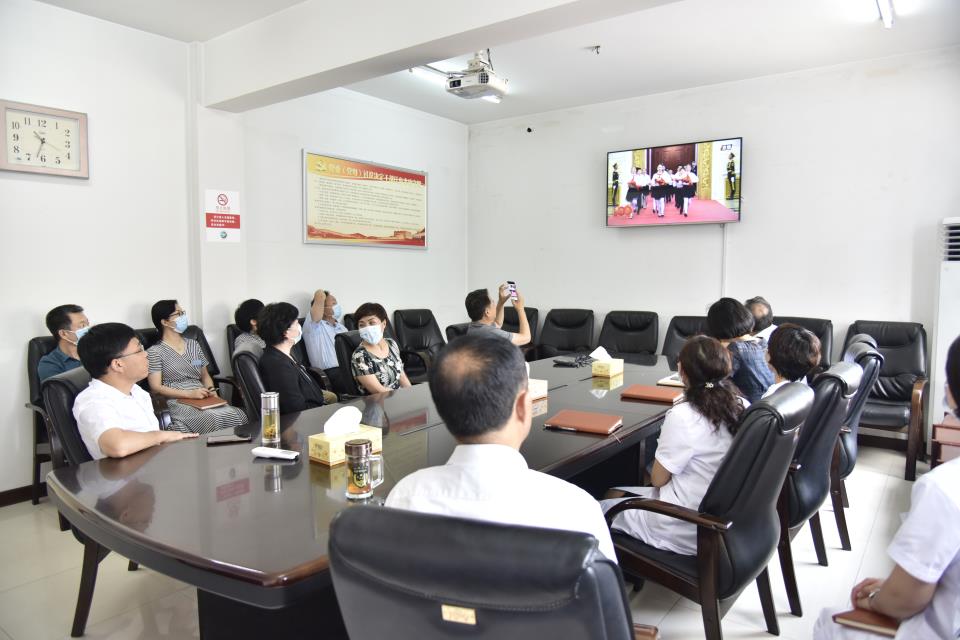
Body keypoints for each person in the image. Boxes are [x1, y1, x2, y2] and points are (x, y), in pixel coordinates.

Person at [386, 333, 616, 560]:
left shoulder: (405, 497)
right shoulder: (575, 509)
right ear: (523, 406)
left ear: (442, 409)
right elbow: (604, 584)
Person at [813, 335, 960, 640]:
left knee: (830, 623)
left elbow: (904, 600)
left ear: (951, 392)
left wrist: (877, 598)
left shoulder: (944, 488)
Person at [601, 336, 747, 556]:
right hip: (724, 516)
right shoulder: (742, 404)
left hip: (686, 522)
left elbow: (659, 480)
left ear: (682, 371)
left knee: (597, 509)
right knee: (614, 492)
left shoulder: (683, 416)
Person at [73, 323, 197, 459]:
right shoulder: (93, 401)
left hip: (154, 462)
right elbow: (117, 446)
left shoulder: (136, 390)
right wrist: (162, 436)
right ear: (117, 364)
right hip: (127, 471)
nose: (146, 354)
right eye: (139, 350)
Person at [147, 300, 247, 434]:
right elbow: (156, 387)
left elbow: (205, 376)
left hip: (202, 395)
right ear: (165, 322)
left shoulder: (193, 345)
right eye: (178, 314)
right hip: (177, 400)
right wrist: (189, 394)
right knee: (211, 417)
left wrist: (213, 392)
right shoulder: (155, 352)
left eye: (183, 313)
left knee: (238, 414)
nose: (183, 317)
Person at [257, 302, 327, 415]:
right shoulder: (278, 365)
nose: (299, 326)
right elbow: (295, 409)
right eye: (296, 323)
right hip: (310, 416)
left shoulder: (284, 354)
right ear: (286, 332)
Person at [706, 297, 775, 404]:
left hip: (745, 410)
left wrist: (699, 385)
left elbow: (712, 385)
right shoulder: (762, 343)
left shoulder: (735, 349)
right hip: (765, 408)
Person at [350, 302, 412, 395]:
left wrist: (412, 394)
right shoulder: (360, 356)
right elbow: (378, 391)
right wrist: (401, 398)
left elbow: (401, 376)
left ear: (384, 324)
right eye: (362, 325)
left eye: (372, 323)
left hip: (399, 397)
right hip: (379, 401)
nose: (367, 328)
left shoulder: (391, 344)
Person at [302, 289, 348, 393]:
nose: (337, 306)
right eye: (333, 303)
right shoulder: (313, 326)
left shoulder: (342, 328)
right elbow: (319, 296)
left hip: (348, 368)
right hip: (331, 373)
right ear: (322, 307)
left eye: (336, 303)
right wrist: (321, 294)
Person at [762, 324, 821, 398]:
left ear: (773, 356)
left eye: (768, 347)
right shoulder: (803, 387)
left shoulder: (771, 396)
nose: (765, 351)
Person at [464, 285, 531, 346]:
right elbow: (526, 338)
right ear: (487, 312)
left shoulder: (474, 327)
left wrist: (501, 302)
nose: (495, 304)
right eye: (493, 302)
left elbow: (497, 323)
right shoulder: (491, 333)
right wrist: (520, 309)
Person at [38, 304, 90, 381]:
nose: (88, 329)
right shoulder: (50, 363)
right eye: (82, 325)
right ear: (63, 334)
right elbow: (57, 388)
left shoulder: (97, 350)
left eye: (88, 324)